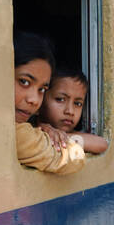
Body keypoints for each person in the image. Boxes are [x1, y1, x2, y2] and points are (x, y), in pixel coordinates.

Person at [14, 31, 85, 175]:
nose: (34, 100)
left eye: (42, 89)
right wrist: (65, 139)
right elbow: (75, 157)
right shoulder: (15, 135)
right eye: (24, 82)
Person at [38, 68, 108, 155]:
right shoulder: (29, 129)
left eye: (78, 104)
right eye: (60, 99)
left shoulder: (71, 134)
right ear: (41, 100)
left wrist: (59, 137)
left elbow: (101, 144)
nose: (70, 111)